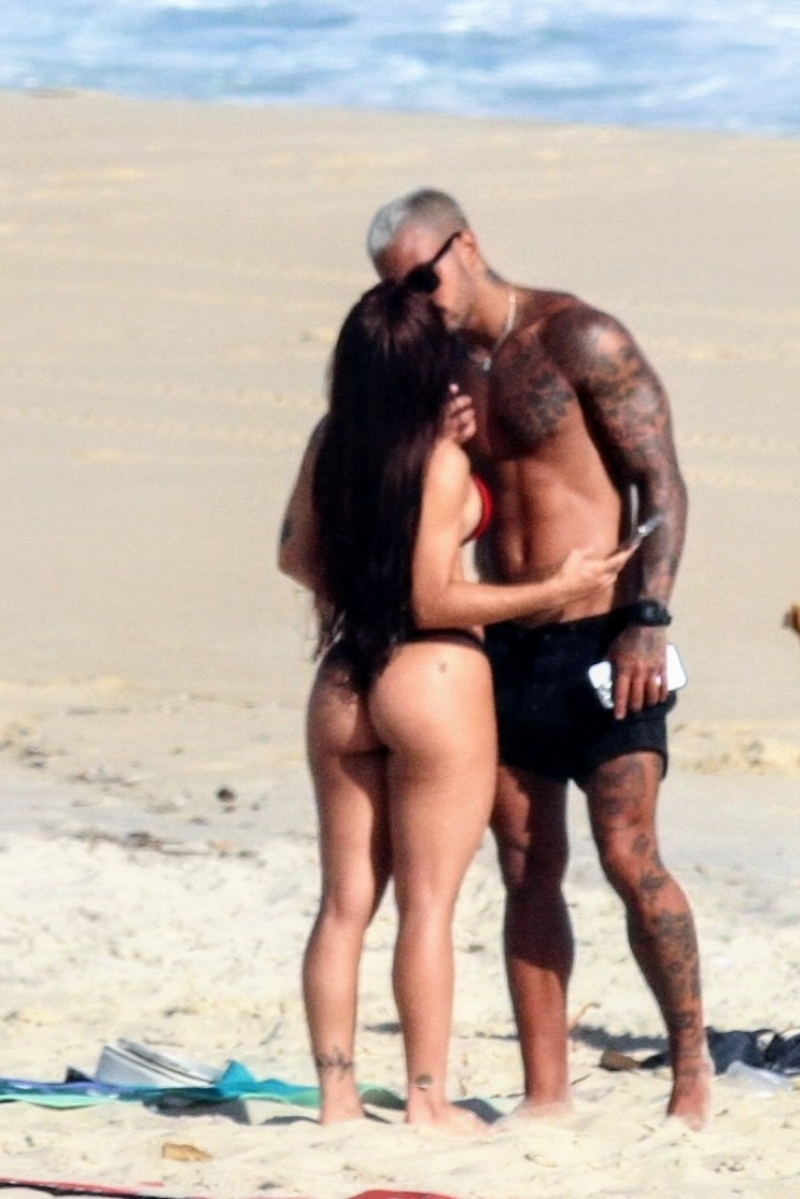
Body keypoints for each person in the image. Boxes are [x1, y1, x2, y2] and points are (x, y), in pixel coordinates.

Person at [366, 188, 711, 1129]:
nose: (416, 301)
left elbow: (663, 484)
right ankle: (546, 1091)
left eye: (423, 279)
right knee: (526, 866)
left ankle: (691, 1070)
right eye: (395, 291)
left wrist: (648, 618)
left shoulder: (579, 338)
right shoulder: (434, 372)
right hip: (503, 642)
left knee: (629, 854)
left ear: (467, 245)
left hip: (608, 638)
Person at [278, 281, 631, 1129]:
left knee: (342, 906)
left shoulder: (332, 441)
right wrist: (553, 589)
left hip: (344, 676)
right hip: (433, 677)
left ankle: (337, 1097)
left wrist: (365, 588)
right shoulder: (438, 462)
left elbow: (295, 555)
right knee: (427, 906)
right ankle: (427, 1099)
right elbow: (435, 597)